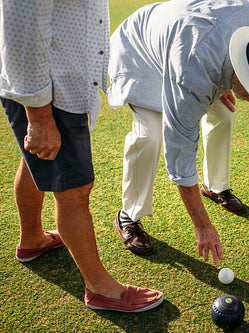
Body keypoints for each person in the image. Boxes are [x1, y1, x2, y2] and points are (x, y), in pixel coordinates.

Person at [0, 0, 163, 312]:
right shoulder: (44, 104)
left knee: (34, 161)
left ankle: (32, 239)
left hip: (59, 87)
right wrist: (39, 117)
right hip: (50, 93)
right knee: (74, 189)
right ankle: (100, 289)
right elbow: (23, 27)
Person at [108, 0, 249, 259]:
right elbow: (179, 157)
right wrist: (202, 226)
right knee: (150, 134)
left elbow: (219, 45)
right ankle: (128, 215)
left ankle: (214, 185)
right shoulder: (192, 74)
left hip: (186, 46)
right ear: (243, 75)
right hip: (139, 53)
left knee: (224, 113)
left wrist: (223, 77)